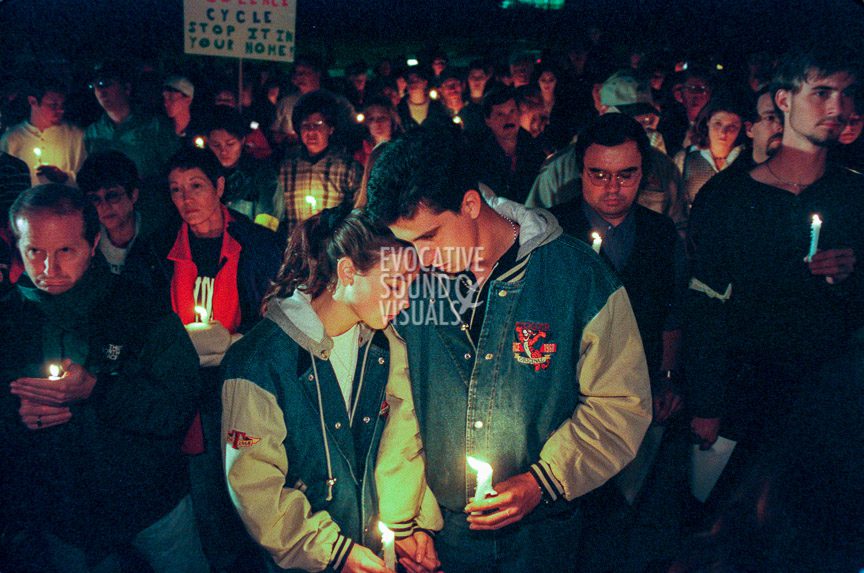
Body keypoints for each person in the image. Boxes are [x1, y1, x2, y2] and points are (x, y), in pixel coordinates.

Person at [366, 128, 652, 573]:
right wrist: (409, 520)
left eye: (429, 237)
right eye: (408, 243)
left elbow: (621, 405)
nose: (419, 257)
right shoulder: (409, 289)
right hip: (446, 530)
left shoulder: (578, 277)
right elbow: (401, 406)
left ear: (471, 204)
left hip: (546, 532)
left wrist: (544, 480)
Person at [685, 46, 863, 523]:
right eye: (821, 92)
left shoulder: (853, 195)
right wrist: (706, 401)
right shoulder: (727, 197)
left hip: (827, 404)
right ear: (783, 100)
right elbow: (704, 307)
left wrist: (849, 279)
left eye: (846, 94)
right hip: (745, 400)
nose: (837, 107)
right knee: (726, 526)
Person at [0, 184, 208, 573]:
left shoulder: (138, 310)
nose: (48, 269)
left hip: (150, 504)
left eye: (65, 251)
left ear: (93, 242)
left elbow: (177, 404)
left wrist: (98, 389)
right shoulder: (10, 319)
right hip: (60, 513)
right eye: (35, 252)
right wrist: (17, 415)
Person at [221, 206, 438, 573]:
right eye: (394, 285)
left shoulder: (387, 347)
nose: (403, 303)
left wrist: (404, 528)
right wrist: (334, 552)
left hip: (370, 552)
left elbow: (401, 443)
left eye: (409, 288)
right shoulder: (258, 361)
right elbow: (255, 487)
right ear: (348, 272)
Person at [548, 114, 686, 572]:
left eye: (625, 175)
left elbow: (671, 313)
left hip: (636, 394)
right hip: (563, 400)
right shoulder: (551, 231)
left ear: (642, 174)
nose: (612, 188)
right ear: (580, 173)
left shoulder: (660, 233)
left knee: (628, 516)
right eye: (599, 175)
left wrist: (665, 377)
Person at [165, 147, 282, 571]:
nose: (186, 199)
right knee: (209, 496)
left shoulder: (259, 245)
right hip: (193, 397)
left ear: (219, 187)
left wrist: (236, 341)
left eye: (196, 186)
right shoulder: (164, 251)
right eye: (176, 190)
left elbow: (281, 319)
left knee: (254, 488)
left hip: (247, 390)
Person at [84, 61, 180, 234]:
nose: (101, 90)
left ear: (126, 88)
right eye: (96, 85)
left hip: (150, 215)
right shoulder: (93, 132)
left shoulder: (154, 125)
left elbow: (175, 168)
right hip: (110, 222)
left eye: (107, 83)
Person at [77, 151, 171, 296]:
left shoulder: (158, 238)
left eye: (112, 196)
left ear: (133, 195)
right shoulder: (85, 243)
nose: (104, 206)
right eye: (95, 199)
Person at [275, 91, 363, 232]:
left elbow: (360, 211)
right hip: (295, 247)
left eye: (318, 124)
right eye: (305, 125)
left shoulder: (348, 168)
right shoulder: (286, 168)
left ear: (331, 128)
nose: (311, 131)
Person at [0, 77, 86, 187]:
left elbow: (87, 179)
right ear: (33, 101)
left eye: (62, 104)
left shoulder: (77, 136)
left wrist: (64, 177)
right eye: (53, 105)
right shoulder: (11, 139)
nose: (61, 110)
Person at [206, 106, 280, 231]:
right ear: (208, 143)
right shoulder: (204, 175)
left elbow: (267, 227)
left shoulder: (262, 176)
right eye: (216, 145)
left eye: (230, 144)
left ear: (242, 141)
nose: (223, 151)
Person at [473, 87, 547, 203]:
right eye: (500, 114)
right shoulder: (478, 158)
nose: (508, 119)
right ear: (488, 120)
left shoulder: (536, 150)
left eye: (512, 111)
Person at [674, 96, 746, 206]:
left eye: (732, 127)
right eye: (718, 124)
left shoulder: (747, 159)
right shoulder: (685, 158)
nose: (723, 133)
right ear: (708, 121)